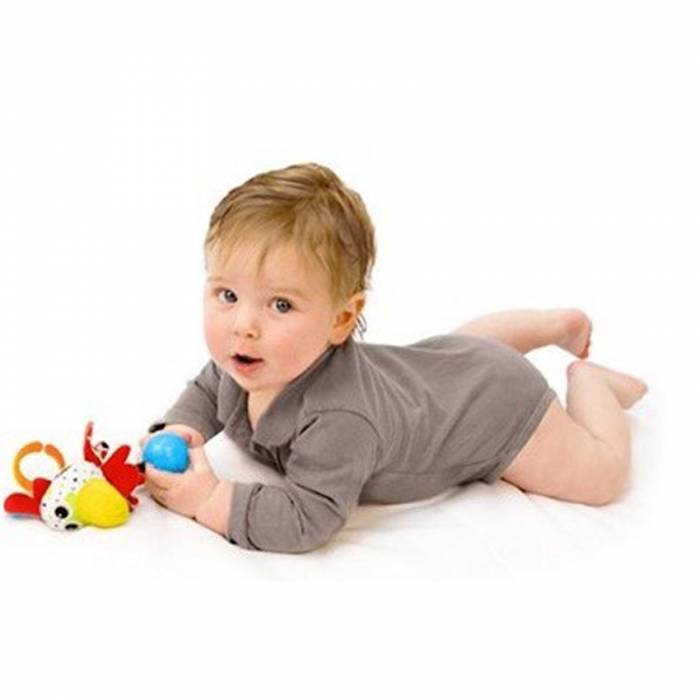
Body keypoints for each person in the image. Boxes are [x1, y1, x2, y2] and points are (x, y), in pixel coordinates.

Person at [139, 162, 648, 553]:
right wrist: (182, 428)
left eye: (281, 305)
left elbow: (307, 517)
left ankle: (592, 381)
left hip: (496, 411)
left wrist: (210, 500)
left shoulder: (340, 419)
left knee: (601, 476)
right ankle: (551, 325)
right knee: (459, 353)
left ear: (342, 319)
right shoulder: (247, 360)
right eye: (227, 295)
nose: (243, 325)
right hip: (450, 367)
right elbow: (207, 388)